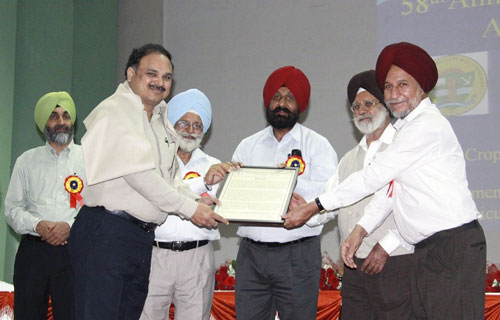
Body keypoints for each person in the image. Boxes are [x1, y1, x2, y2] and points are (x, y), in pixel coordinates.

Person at [283, 42, 486, 320]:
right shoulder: (407, 129)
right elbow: (391, 192)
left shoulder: (426, 126)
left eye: (403, 84)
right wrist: (360, 230)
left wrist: (313, 206)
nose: (394, 94)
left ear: (422, 88)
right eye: (388, 87)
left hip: (451, 246)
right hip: (428, 251)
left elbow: (374, 177)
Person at [68, 43, 227, 320]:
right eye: (151, 73)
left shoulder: (158, 119)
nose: (159, 82)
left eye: (166, 77)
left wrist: (195, 200)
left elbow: (169, 176)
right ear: (131, 74)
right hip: (106, 233)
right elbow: (140, 176)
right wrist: (190, 210)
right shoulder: (116, 112)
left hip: (140, 238)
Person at [306, 70, 415, 319]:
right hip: (354, 266)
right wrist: (304, 210)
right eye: (355, 107)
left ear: (385, 106)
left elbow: (415, 207)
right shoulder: (348, 159)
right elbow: (331, 203)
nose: (362, 110)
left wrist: (386, 246)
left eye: (369, 103)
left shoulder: (403, 146)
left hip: (393, 262)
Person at [232, 66, 338, 320]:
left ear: (300, 105)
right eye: (277, 98)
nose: (282, 104)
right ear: (267, 102)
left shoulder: (318, 146)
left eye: (290, 98)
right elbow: (233, 196)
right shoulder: (247, 146)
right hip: (251, 256)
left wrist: (291, 187)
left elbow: (332, 198)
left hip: (297, 255)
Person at [140, 89, 221, 320]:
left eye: (197, 125)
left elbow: (222, 210)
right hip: (155, 254)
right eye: (183, 122)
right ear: (170, 125)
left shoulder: (215, 167)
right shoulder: (154, 161)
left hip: (197, 256)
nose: (189, 130)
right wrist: (201, 186)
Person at [5, 91, 84, 320]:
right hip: (33, 253)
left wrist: (70, 226)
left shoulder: (89, 158)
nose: (61, 122)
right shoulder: (26, 161)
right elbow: (12, 209)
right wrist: (38, 225)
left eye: (66, 116)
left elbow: (96, 208)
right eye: (54, 116)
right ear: (44, 123)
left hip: (74, 252)